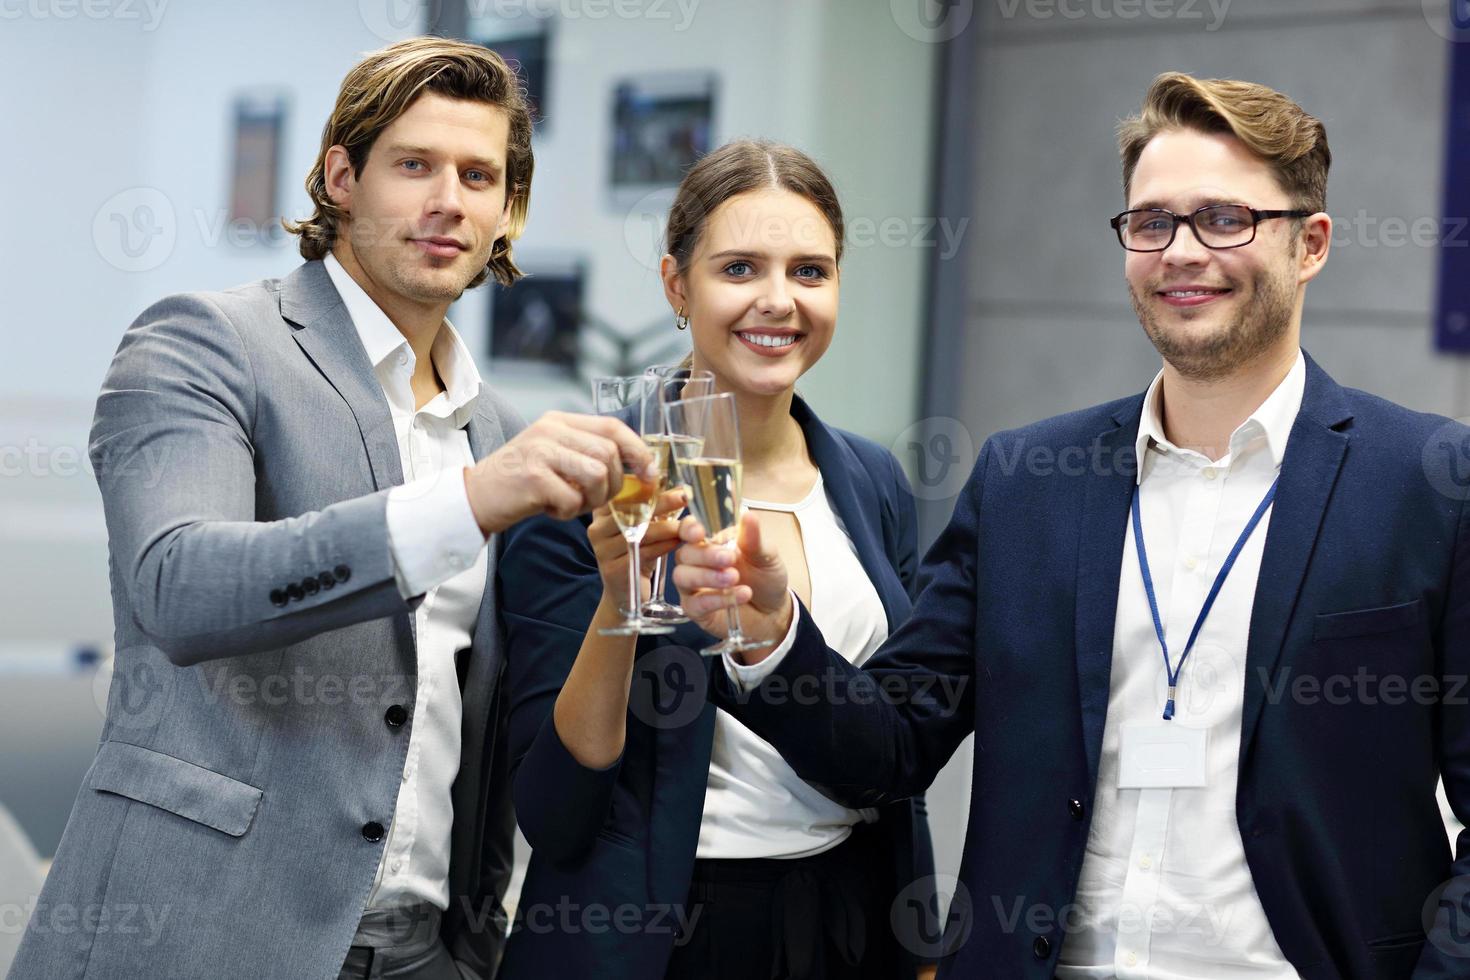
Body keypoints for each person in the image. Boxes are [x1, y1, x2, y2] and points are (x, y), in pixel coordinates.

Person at [674, 73, 1470, 977]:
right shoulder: (1027, 484)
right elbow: (888, 749)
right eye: (1152, 222)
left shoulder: (1427, 484)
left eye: (1225, 219)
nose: (1182, 251)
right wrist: (773, 632)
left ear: (1311, 243)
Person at [9, 37, 651, 980]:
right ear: (340, 176)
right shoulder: (206, 343)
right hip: (201, 935)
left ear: (507, 211)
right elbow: (182, 587)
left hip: (420, 953)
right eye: (414, 165)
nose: (449, 200)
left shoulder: (495, 427)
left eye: (480, 175)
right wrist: (467, 503)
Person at [495, 139, 938, 980]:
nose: (779, 301)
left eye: (811, 272)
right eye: (740, 269)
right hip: (656, 935)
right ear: (676, 286)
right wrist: (619, 607)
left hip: (847, 920)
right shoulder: (603, 477)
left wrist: (919, 941)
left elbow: (895, 742)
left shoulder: (872, 479)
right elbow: (555, 814)